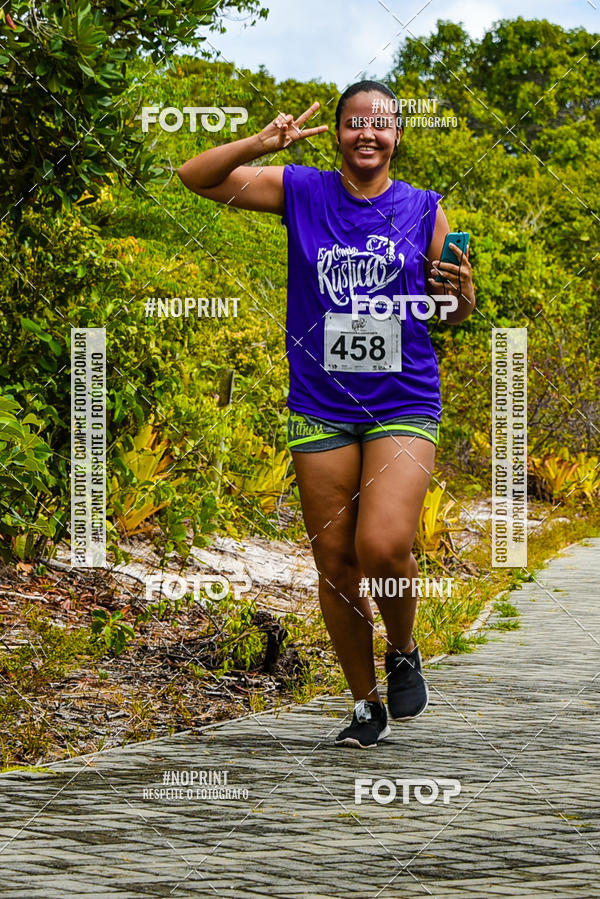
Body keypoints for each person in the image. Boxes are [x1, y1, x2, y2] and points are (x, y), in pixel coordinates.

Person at [177, 79, 475, 749]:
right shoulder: (302, 190)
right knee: (337, 566)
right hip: (321, 403)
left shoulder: (426, 211)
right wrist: (263, 141)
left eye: (382, 125)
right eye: (354, 124)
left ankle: (403, 648)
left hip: (402, 400)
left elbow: (452, 314)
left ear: (398, 135)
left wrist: (465, 292)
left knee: (382, 546)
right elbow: (194, 178)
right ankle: (366, 704)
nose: (367, 134)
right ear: (337, 132)